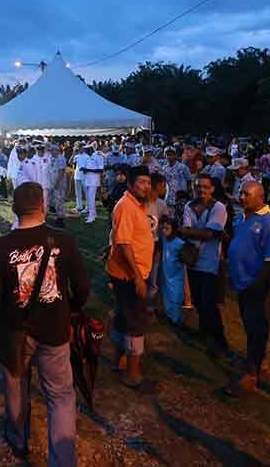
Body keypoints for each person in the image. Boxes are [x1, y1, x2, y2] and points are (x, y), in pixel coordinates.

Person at [0, 182, 90, 465]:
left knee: (16, 386)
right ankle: (63, 459)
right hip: (55, 329)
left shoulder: (2, 247)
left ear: (14, 208)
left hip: (14, 331)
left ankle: (18, 441)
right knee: (60, 396)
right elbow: (83, 286)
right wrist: (71, 308)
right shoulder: (64, 240)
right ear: (43, 205)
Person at [226, 181, 270, 396]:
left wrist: (257, 285)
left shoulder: (269, 221)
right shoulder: (242, 217)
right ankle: (257, 362)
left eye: (247, 194)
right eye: (241, 193)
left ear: (261, 197)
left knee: (257, 328)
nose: (242, 197)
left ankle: (252, 375)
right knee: (251, 327)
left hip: (258, 285)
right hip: (243, 283)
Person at [106, 165, 159, 392]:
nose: (146, 187)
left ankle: (120, 360)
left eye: (148, 183)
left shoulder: (136, 204)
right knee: (136, 322)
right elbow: (125, 244)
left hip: (130, 272)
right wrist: (138, 277)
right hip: (129, 275)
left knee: (123, 316)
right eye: (141, 183)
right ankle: (133, 374)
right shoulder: (126, 206)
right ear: (130, 184)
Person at [180, 174, 230, 357]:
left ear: (212, 189)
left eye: (205, 187)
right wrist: (202, 232)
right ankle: (204, 332)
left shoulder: (218, 208)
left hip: (210, 262)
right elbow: (205, 232)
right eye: (198, 186)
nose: (202, 190)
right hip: (193, 261)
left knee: (209, 302)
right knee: (199, 301)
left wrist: (190, 232)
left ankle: (219, 340)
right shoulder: (189, 206)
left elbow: (209, 233)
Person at [158, 217, 187, 326]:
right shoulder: (165, 239)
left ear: (174, 230)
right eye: (163, 228)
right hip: (166, 275)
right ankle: (170, 317)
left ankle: (177, 321)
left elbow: (188, 256)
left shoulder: (179, 243)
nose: (164, 231)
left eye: (167, 228)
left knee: (175, 298)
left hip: (176, 278)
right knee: (167, 296)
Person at [161, 147, 192, 218]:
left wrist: (188, 195)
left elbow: (189, 181)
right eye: (167, 154)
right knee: (169, 219)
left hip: (181, 199)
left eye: (171, 154)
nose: (169, 156)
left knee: (181, 218)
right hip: (168, 198)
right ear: (165, 156)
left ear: (175, 155)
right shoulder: (164, 168)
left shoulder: (183, 167)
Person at [82, 144, 104, 224]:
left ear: (90, 149)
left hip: (94, 181)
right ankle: (93, 214)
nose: (86, 152)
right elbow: (88, 168)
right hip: (88, 180)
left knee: (91, 198)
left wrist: (88, 170)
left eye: (86, 151)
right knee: (88, 198)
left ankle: (91, 217)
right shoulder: (88, 157)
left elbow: (101, 170)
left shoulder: (98, 156)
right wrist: (84, 170)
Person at [48, 144, 68, 228]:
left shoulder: (60, 158)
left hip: (59, 184)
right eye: (50, 150)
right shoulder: (53, 158)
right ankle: (58, 216)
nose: (51, 152)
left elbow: (61, 172)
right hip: (55, 183)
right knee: (56, 201)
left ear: (57, 151)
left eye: (52, 150)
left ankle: (61, 220)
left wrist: (56, 183)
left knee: (59, 201)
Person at [71, 144, 88, 213]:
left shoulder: (87, 156)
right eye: (79, 147)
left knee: (86, 193)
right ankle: (79, 206)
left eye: (81, 147)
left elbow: (89, 166)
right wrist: (73, 153)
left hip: (84, 177)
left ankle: (88, 207)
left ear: (83, 148)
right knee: (78, 193)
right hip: (77, 176)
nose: (79, 148)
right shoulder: (76, 156)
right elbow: (70, 162)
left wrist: (85, 169)